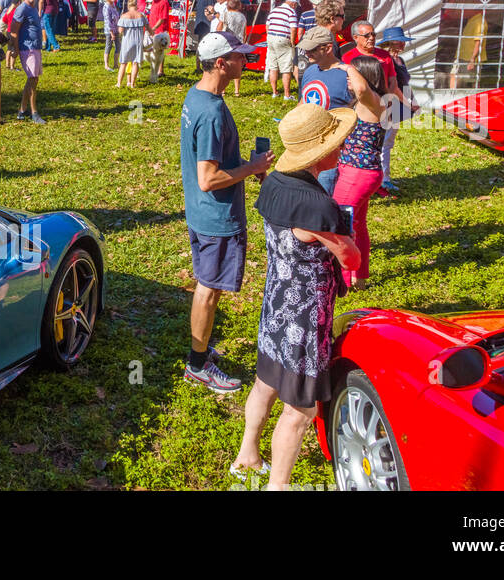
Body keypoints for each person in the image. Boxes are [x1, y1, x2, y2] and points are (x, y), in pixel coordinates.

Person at [231, 102, 360, 490]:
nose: (343, 147)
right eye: (337, 142)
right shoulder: (317, 205)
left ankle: (247, 455)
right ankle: (279, 486)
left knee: (265, 383)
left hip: (276, 300)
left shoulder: (273, 182)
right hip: (306, 316)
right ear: (321, 151)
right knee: (300, 410)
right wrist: (346, 236)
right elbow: (349, 255)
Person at [180, 31, 272, 392]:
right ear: (221, 63)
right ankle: (197, 364)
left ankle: (200, 352)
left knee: (209, 286)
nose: (245, 62)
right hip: (216, 217)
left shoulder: (197, 95)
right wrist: (252, 168)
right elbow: (208, 177)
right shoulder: (212, 111)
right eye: (239, 57)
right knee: (208, 289)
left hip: (202, 213)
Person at [332, 55, 386, 290]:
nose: (347, 80)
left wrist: (345, 65)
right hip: (357, 171)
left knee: (339, 224)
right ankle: (359, 278)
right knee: (358, 226)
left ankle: (342, 282)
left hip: (358, 173)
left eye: (351, 76)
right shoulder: (364, 102)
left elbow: (362, 88)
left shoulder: (373, 101)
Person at [296, 25, 362, 194]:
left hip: (331, 153)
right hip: (307, 148)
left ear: (328, 48)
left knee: (325, 198)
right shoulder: (310, 71)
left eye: (311, 49)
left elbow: (360, 110)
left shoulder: (347, 75)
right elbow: (304, 100)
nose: (306, 53)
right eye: (305, 49)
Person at [377, 26, 415, 193]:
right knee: (385, 143)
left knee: (388, 142)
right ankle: (383, 179)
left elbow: (404, 83)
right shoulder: (388, 61)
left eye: (403, 41)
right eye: (399, 41)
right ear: (391, 43)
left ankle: (384, 177)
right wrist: (408, 102)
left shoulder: (400, 60)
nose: (403, 44)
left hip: (400, 104)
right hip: (392, 104)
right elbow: (392, 86)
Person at [342, 21, 402, 102]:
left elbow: (393, 80)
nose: (371, 38)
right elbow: (346, 84)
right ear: (355, 37)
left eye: (373, 34)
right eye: (367, 35)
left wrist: (388, 99)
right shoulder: (347, 58)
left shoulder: (385, 55)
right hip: (360, 103)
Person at [10, 0, 45, 123]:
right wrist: (16, 49)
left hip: (35, 47)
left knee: (33, 79)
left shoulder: (33, 7)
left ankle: (22, 110)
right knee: (33, 78)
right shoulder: (22, 9)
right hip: (27, 48)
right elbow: (13, 31)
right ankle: (34, 112)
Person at [264, 0, 296, 100]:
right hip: (283, 38)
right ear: (293, 3)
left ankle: (275, 92)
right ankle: (287, 95)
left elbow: (267, 25)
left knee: (273, 66)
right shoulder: (291, 12)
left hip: (271, 38)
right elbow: (293, 29)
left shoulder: (274, 10)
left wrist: (270, 35)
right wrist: (292, 42)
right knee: (286, 68)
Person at [113, 5, 143, 89]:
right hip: (138, 41)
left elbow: (120, 30)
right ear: (136, 6)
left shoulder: (124, 16)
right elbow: (148, 28)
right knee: (135, 63)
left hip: (127, 42)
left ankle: (119, 83)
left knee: (123, 63)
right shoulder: (141, 15)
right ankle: (132, 84)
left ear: (128, 6)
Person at [221, 0, 243, 95]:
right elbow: (245, 32)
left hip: (226, 42)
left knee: (223, 65)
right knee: (237, 65)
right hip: (238, 43)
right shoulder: (242, 17)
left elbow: (219, 27)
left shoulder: (225, 15)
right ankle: (237, 91)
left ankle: (222, 89)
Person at [146, 0, 168, 80]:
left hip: (160, 30)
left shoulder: (164, 2)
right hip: (152, 29)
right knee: (153, 51)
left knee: (160, 51)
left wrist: (154, 28)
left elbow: (162, 19)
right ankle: (155, 69)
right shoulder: (154, 2)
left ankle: (160, 71)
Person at [100, 0, 117, 72]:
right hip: (109, 31)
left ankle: (116, 65)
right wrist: (112, 33)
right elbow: (108, 21)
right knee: (108, 46)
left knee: (118, 47)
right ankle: (106, 65)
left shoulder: (113, 4)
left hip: (116, 29)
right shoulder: (106, 7)